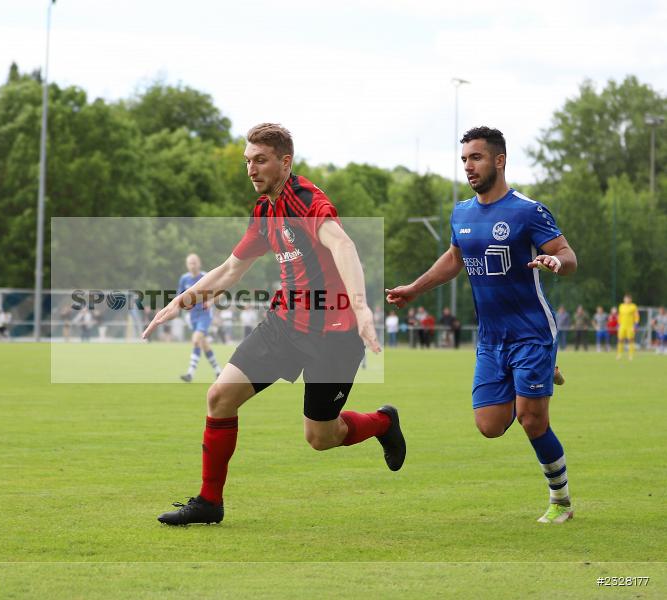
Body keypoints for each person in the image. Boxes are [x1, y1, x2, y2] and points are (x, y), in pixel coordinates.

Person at [143, 123, 404, 526]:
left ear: (285, 162)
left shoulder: (306, 200)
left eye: (260, 160)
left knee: (321, 437)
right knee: (219, 397)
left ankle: (384, 421)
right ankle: (209, 502)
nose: (251, 169)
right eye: (248, 161)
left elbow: (342, 244)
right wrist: (181, 300)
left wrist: (362, 308)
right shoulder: (264, 211)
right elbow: (231, 269)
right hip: (283, 325)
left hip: (333, 334)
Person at [386, 126, 577, 524]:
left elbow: (566, 253)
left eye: (476, 157)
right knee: (489, 426)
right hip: (491, 338)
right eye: (464, 160)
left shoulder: (527, 211)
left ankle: (560, 500)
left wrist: (556, 261)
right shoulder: (462, 213)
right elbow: (454, 258)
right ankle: (541, 373)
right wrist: (415, 289)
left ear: (499, 160)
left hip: (531, 332)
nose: (468, 166)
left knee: (531, 419)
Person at [177, 254, 222, 382]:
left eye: (194, 262)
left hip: (204, 315)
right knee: (203, 344)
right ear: (187, 265)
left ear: (199, 263)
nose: (192, 265)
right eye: (190, 263)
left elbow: (220, 292)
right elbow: (179, 296)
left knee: (196, 340)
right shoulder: (184, 279)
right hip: (192, 316)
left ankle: (190, 373)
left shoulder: (206, 277)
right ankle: (218, 371)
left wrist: (210, 302)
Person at [616, 293, 639, 360]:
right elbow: (619, 316)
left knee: (630, 340)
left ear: (630, 300)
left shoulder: (633, 306)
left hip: (630, 326)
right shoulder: (621, 306)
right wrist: (618, 324)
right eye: (625, 299)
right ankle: (619, 354)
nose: (627, 300)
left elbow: (637, 316)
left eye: (628, 299)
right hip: (622, 326)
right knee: (620, 340)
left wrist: (636, 325)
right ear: (624, 299)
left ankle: (630, 355)